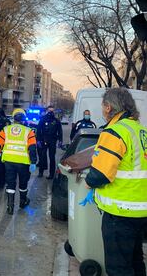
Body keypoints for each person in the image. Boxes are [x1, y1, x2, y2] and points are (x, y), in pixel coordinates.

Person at [85, 88, 147, 276]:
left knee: (119, 267)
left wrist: (89, 182)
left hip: (120, 212)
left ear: (108, 107)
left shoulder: (114, 131)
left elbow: (101, 174)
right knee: (136, 261)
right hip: (141, 210)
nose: (102, 111)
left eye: (103, 106)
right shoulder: (140, 130)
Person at [0, 108, 37, 215]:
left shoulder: (6, 129)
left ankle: (10, 207)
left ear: (13, 118)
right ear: (23, 118)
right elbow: (32, 148)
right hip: (23, 162)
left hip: (8, 161)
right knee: (23, 183)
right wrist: (33, 162)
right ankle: (23, 202)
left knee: (10, 183)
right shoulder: (29, 131)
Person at [37, 105, 63, 179]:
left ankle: (51, 174)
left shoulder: (56, 121)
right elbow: (38, 130)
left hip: (52, 140)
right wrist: (38, 140)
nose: (50, 112)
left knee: (52, 158)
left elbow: (60, 131)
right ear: (47, 111)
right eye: (49, 111)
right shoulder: (43, 119)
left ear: (54, 112)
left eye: (52, 111)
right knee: (42, 156)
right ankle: (40, 172)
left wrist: (60, 141)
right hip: (43, 139)